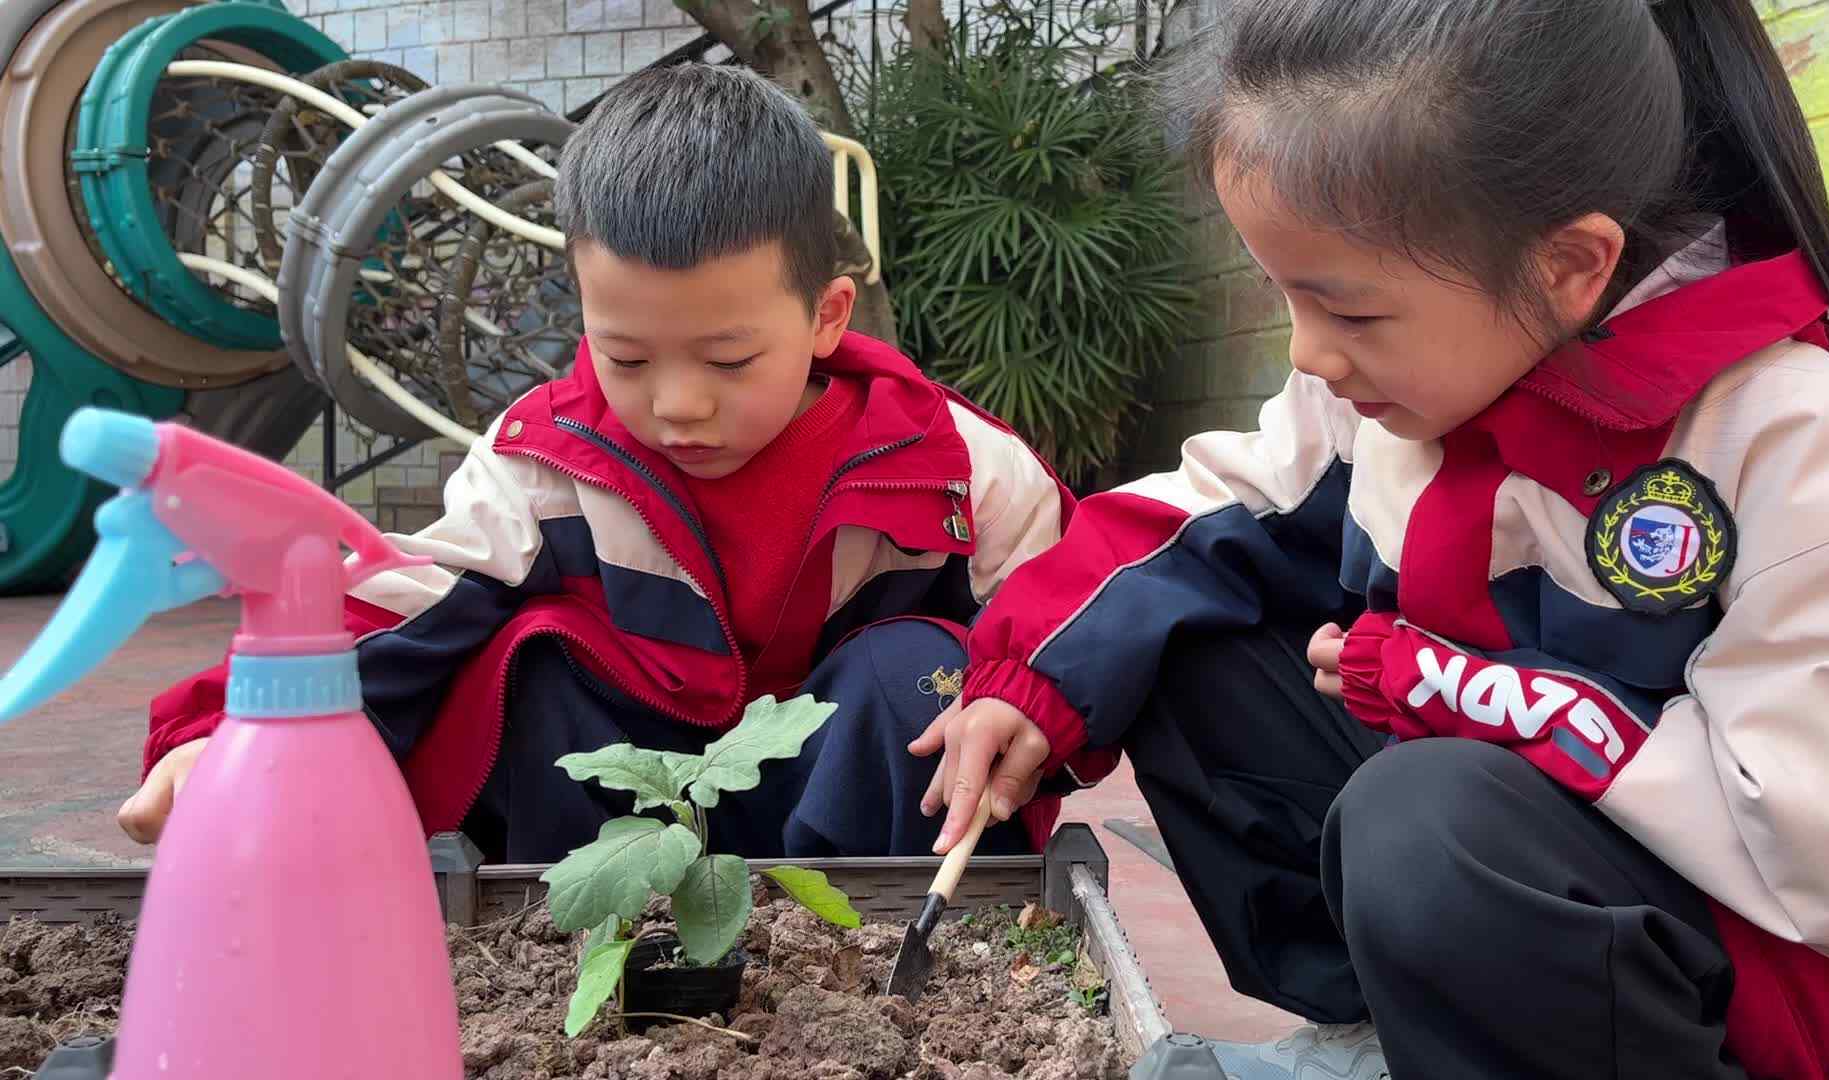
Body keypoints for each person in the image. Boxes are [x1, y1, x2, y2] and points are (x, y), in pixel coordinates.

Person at [914, 0, 1829, 1076]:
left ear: (1568, 267)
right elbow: (1201, 516)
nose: (1308, 355)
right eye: (1284, 295)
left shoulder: (1784, 441)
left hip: (1762, 1002)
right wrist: (1033, 674)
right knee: (1175, 639)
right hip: (1530, 884)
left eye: (1349, 312)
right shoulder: (1392, 390)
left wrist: (1448, 686)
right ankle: (1371, 1044)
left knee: (1426, 824)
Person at [122, 64, 1103, 865]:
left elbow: (1077, 608)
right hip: (616, 842)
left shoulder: (944, 466)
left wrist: (1023, 695)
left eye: (729, 360)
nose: (677, 404)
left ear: (826, 316)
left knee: (920, 675)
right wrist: (226, 734)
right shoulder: (549, 462)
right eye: (625, 357)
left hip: (853, 837)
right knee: (534, 654)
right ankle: (570, 959)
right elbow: (395, 606)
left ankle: (892, 962)